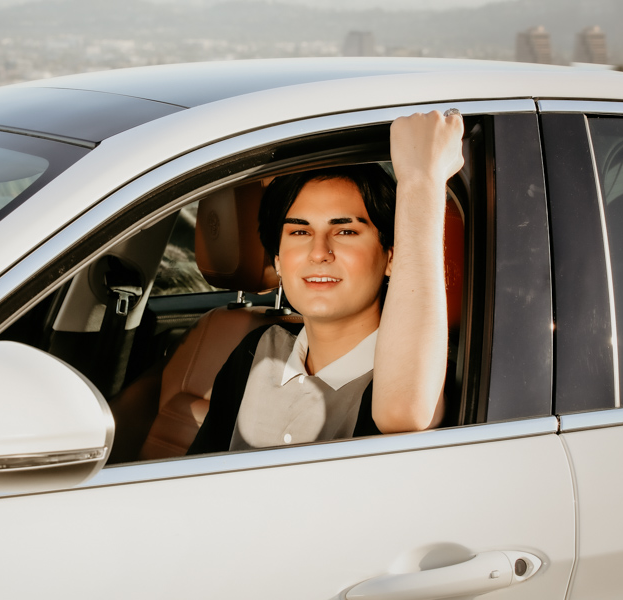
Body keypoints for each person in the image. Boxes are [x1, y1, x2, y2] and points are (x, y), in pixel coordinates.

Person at [188, 110, 464, 454]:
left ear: (392, 257)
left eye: (346, 231)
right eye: (300, 231)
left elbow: (403, 416)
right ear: (277, 259)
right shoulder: (255, 351)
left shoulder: (425, 379)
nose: (319, 252)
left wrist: (422, 180)